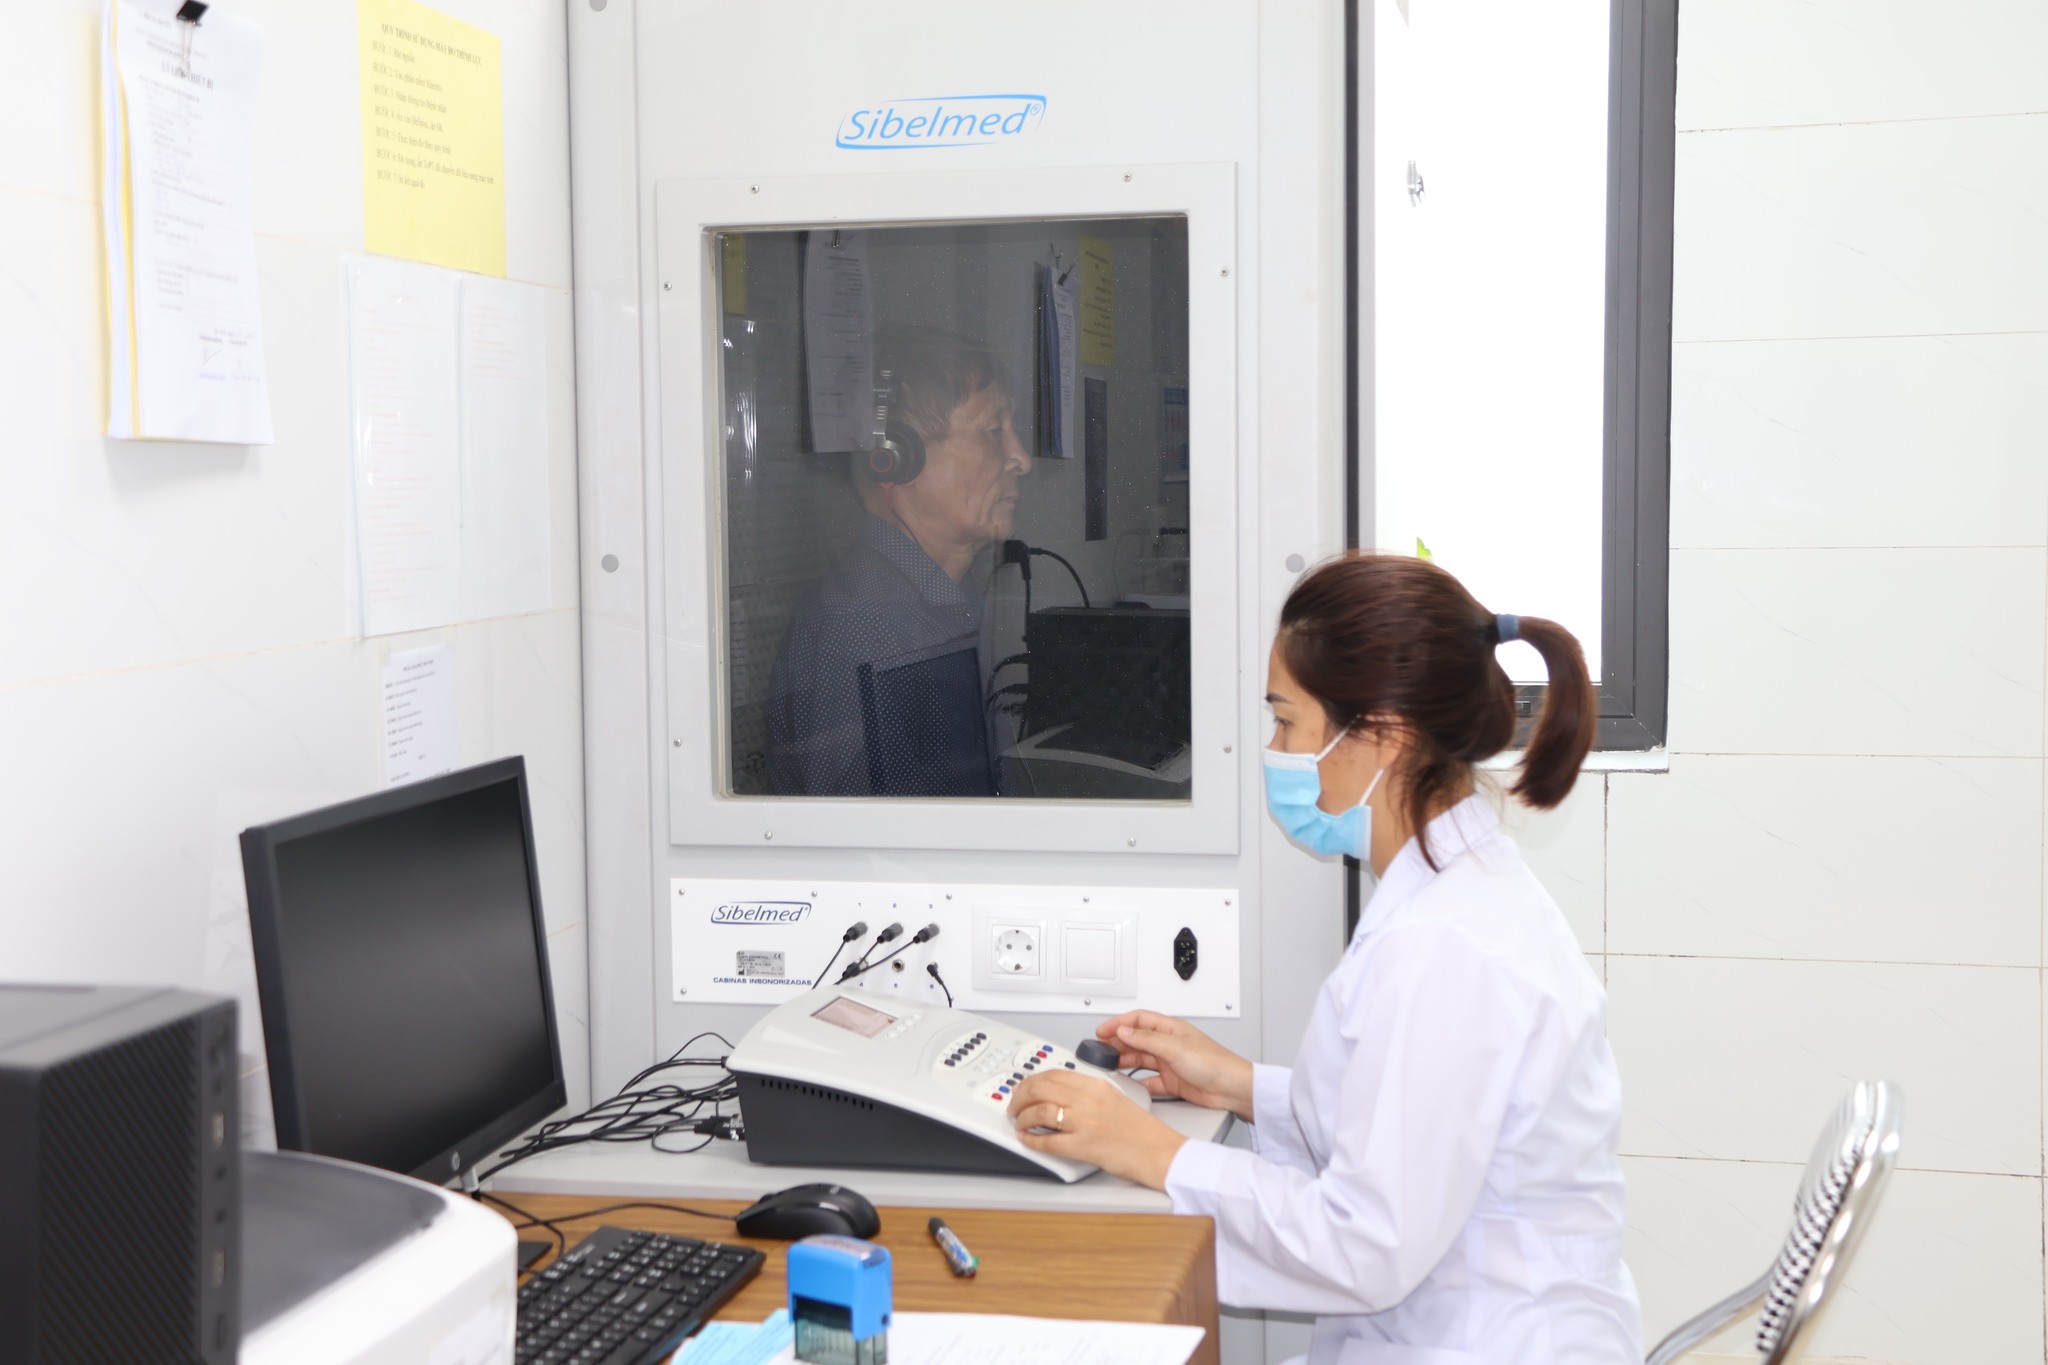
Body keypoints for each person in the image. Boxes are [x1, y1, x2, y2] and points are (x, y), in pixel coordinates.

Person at [1006, 553, 1641, 1363]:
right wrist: (1239, 1085)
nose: (1274, 749)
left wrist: (1149, 1149)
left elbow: (1365, 1244)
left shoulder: (1444, 944)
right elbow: (1411, 1125)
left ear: (1382, 735)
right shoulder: (1455, 890)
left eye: (1287, 722)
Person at [766, 328, 1034, 797]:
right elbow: (862, 837)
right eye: (994, 431)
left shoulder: (944, 596)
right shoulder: (863, 627)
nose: (1021, 459)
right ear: (896, 457)